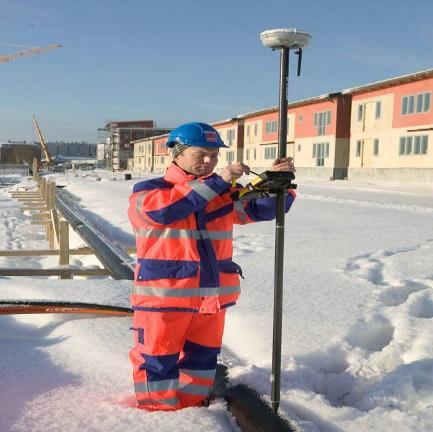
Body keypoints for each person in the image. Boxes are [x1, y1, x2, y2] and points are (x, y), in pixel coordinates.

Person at [127, 122, 296, 411]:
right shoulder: (150, 192)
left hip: (211, 299)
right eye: (202, 153)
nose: (210, 161)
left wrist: (280, 184)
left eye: (215, 155)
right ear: (177, 153)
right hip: (163, 299)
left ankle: (194, 409)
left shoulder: (219, 192)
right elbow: (169, 209)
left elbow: (261, 209)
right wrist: (218, 181)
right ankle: (158, 414)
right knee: (157, 360)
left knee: (202, 361)